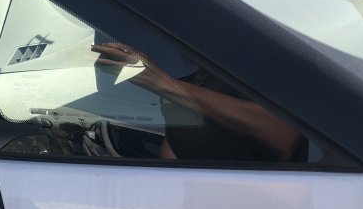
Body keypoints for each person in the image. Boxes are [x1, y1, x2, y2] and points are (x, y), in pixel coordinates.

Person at [92, 42, 306, 162]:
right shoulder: (184, 85)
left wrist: (159, 81)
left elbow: (282, 137)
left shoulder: (259, 73)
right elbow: (176, 170)